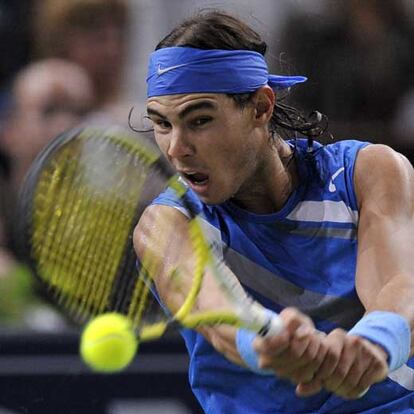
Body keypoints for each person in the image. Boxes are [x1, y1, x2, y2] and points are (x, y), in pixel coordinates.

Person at [133, 11, 414, 413]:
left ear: (261, 108)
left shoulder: (369, 172)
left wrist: (374, 342)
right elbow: (219, 315)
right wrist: (268, 340)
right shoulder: (167, 226)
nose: (176, 147)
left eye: (199, 120)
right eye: (162, 124)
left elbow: (401, 284)